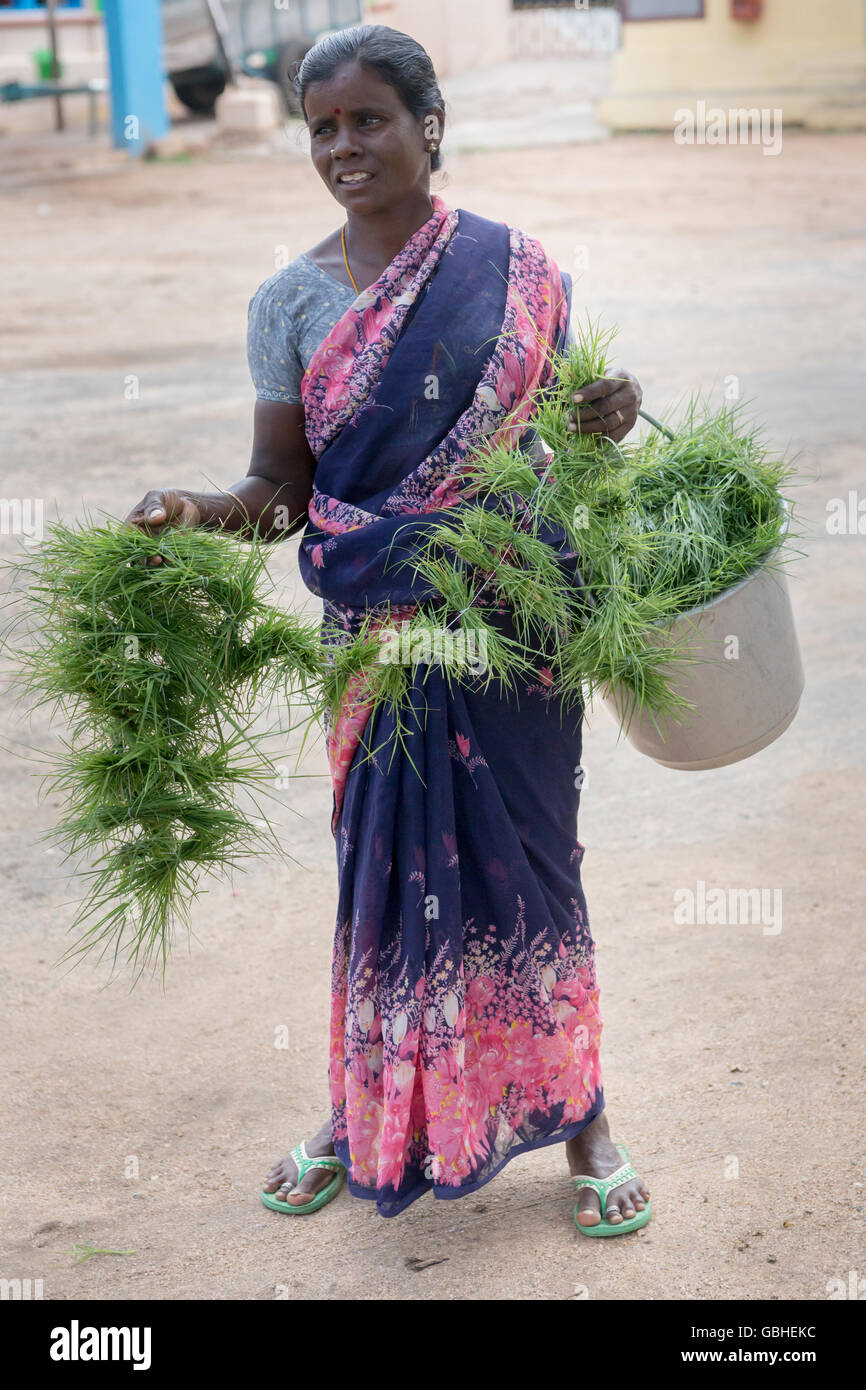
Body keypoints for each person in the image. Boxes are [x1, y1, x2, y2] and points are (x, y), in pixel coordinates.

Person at [125, 24, 651, 1233]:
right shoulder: (292, 301)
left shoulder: (515, 271)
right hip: (374, 641)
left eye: (367, 119)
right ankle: (361, 1110)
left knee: (533, 872)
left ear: (429, 126)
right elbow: (281, 498)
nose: (342, 146)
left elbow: (557, 437)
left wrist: (609, 416)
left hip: (511, 627)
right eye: (322, 127)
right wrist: (194, 510)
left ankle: (583, 1118)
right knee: (381, 885)